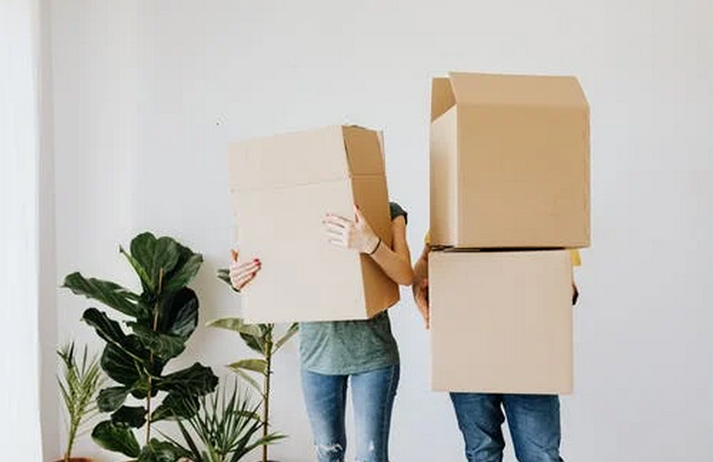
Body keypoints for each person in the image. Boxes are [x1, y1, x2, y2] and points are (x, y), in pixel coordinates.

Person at [230, 203, 414, 462]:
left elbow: (406, 275)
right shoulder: (293, 209)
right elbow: (269, 268)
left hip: (373, 356)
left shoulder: (387, 209)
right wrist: (241, 279)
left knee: (371, 458)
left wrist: (369, 243)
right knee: (328, 454)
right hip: (318, 357)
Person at [411, 233, 581, 462]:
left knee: (540, 455)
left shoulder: (542, 211)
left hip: (529, 354)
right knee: (482, 453)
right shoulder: (455, 206)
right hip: (467, 349)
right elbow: (425, 261)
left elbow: (563, 278)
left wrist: (557, 289)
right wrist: (419, 291)